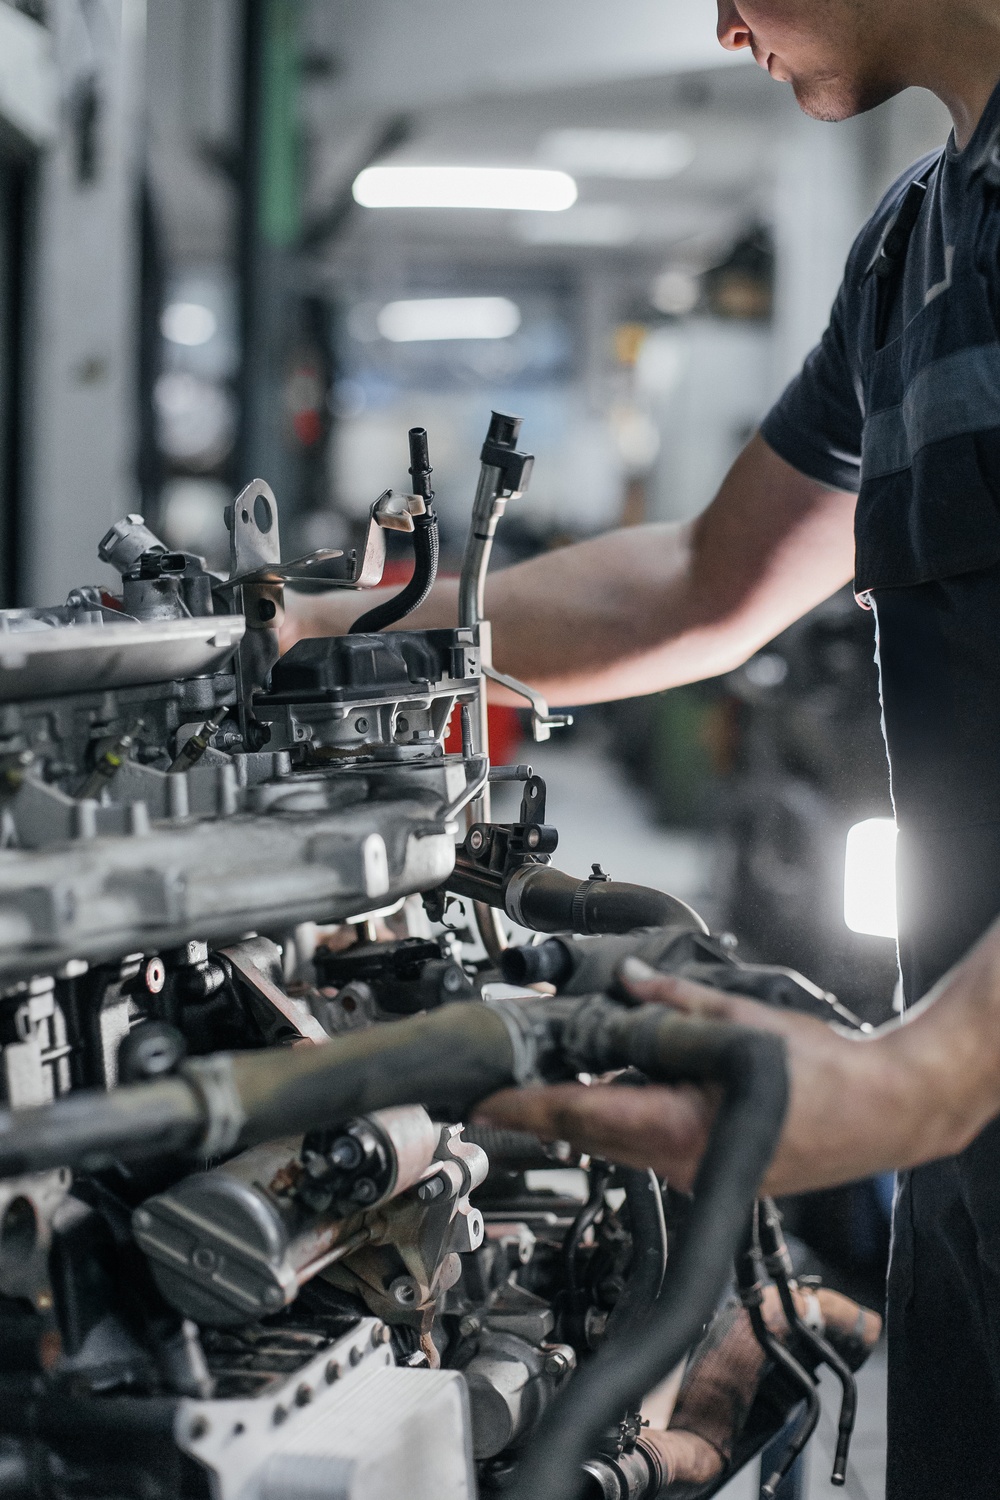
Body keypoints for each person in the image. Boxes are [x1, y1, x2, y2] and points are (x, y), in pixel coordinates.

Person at [284, 2, 1000, 1492]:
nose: (723, 19)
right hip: (970, 1162)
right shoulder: (915, 248)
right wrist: (330, 628)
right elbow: (703, 582)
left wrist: (928, 1072)